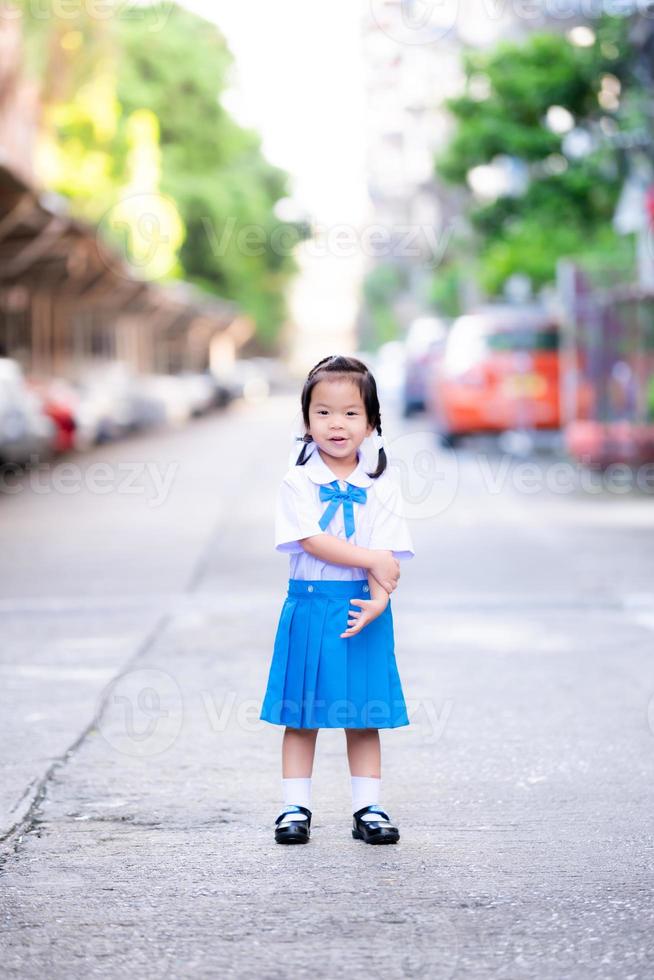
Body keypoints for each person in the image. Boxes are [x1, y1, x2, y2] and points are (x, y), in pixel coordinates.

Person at [259, 354, 415, 845]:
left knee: (362, 715)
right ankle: (294, 808)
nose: (337, 423)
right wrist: (371, 560)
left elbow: (386, 560)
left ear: (371, 424)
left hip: (361, 609)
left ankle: (368, 807)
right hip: (309, 605)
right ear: (306, 422)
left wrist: (378, 601)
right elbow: (310, 540)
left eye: (351, 413)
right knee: (301, 716)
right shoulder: (297, 482)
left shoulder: (381, 486)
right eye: (323, 412)